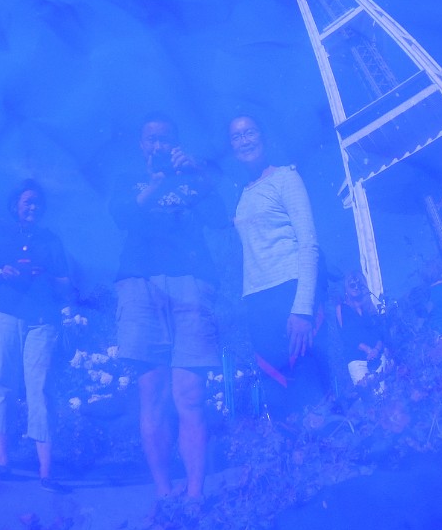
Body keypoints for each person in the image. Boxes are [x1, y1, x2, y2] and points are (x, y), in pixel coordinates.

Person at [109, 115, 222, 500]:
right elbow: (121, 216)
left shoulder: (193, 178)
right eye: (151, 138)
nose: (158, 145)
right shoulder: (128, 179)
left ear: (176, 143)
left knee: (190, 395)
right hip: (139, 282)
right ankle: (164, 492)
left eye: (165, 139)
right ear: (142, 144)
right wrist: (156, 183)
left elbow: (220, 219)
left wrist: (198, 175)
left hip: (192, 282)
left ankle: (195, 496)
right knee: (152, 393)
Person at [228, 115, 327, 413]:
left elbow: (308, 243)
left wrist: (302, 309)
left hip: (290, 292)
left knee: (309, 386)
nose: (244, 141)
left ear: (263, 136)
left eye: (250, 132)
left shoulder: (286, 178)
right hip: (257, 300)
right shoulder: (240, 194)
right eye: (236, 137)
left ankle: (331, 441)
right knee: (277, 391)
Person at [0, 180, 72, 492]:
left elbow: (65, 283)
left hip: (41, 321)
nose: (33, 207)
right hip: (3, 315)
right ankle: (2, 460)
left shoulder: (51, 240)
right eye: (27, 202)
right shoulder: (0, 234)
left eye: (37, 203)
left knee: (40, 389)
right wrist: (1, 273)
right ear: (15, 205)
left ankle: (46, 470)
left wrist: (45, 277)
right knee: (3, 383)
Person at [335, 271, 386, 388]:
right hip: (357, 361)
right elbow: (346, 335)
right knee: (369, 395)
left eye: (359, 284)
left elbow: (379, 333)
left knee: (385, 393)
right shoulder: (341, 308)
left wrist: (376, 350)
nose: (356, 287)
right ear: (346, 288)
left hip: (377, 356)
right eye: (352, 285)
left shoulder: (368, 307)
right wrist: (368, 350)